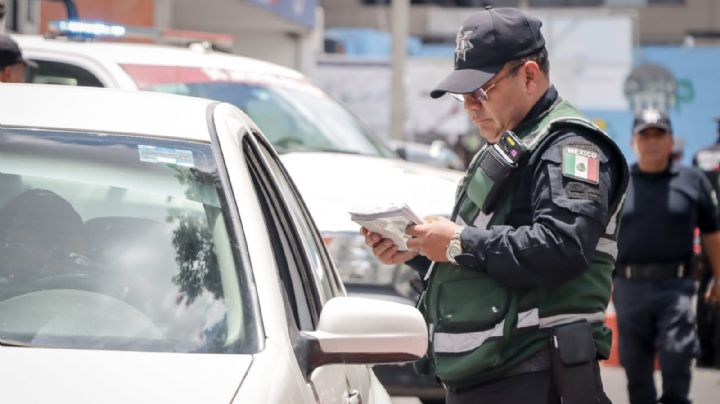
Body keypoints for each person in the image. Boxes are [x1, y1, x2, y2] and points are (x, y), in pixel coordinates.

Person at [361, 7, 629, 404]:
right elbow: (490, 264)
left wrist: (458, 243)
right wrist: (420, 250)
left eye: (481, 90)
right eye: (462, 95)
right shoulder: (514, 144)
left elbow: (563, 248)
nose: (469, 106)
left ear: (529, 75)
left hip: (535, 377)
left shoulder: (570, 147)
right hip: (493, 376)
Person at [614, 109, 720, 404]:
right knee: (636, 368)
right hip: (628, 287)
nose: (651, 142)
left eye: (659, 134)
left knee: (677, 355)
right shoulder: (619, 183)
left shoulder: (692, 180)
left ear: (671, 140)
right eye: (644, 135)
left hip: (676, 288)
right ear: (633, 141)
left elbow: (712, 232)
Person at [691, 116, 720, 369]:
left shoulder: (701, 156)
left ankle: (705, 351)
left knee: (703, 292)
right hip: (712, 231)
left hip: (707, 232)